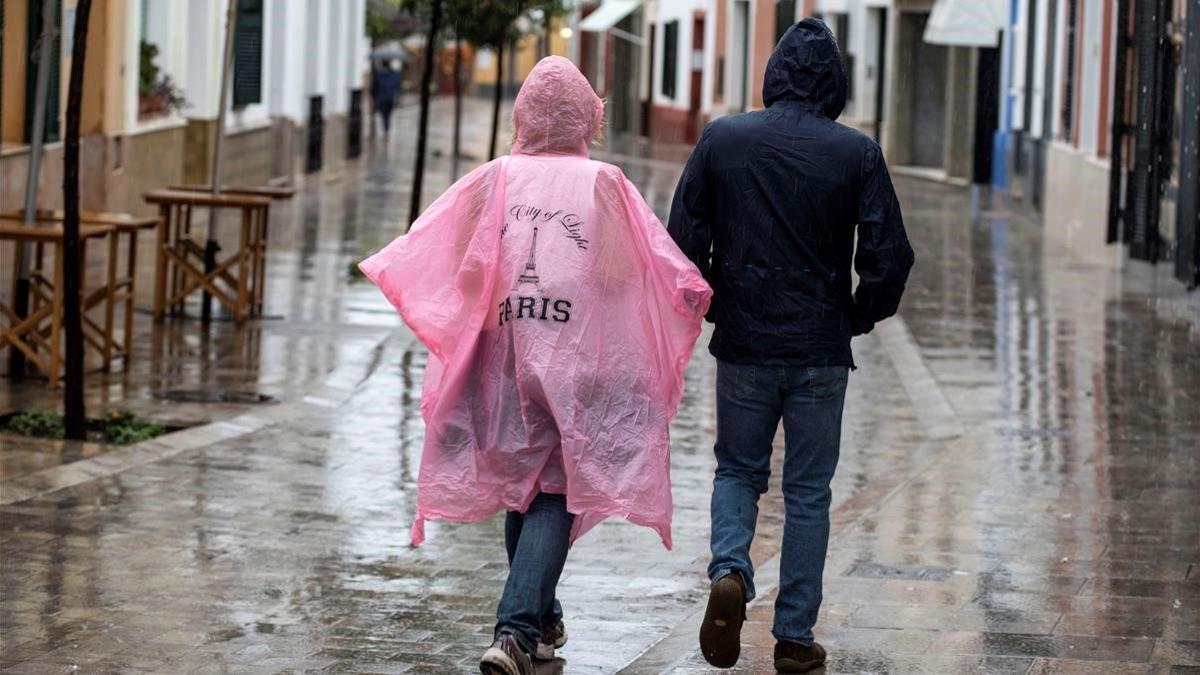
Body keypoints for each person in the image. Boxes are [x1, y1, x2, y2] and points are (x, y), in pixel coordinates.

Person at [359, 56, 711, 675]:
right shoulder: (604, 183)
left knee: (528, 486)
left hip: (501, 357)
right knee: (553, 488)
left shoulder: (495, 179)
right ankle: (517, 631)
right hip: (578, 359)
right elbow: (630, 269)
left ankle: (541, 621)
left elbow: (456, 262)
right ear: (586, 119)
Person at [667, 17, 914, 673]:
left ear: (773, 74)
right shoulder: (855, 152)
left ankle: (730, 570)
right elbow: (889, 257)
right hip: (819, 349)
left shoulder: (722, 139)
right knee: (808, 491)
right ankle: (795, 636)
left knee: (738, 471)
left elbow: (681, 243)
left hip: (744, 340)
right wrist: (857, 315)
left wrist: (717, 300)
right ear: (835, 83)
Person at [370, 60, 402, 135]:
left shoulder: (378, 74)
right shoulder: (394, 74)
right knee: (388, 114)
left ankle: (385, 128)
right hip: (390, 97)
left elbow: (374, 87)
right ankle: (386, 128)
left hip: (381, 97)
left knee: (384, 114)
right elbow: (397, 86)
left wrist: (374, 96)